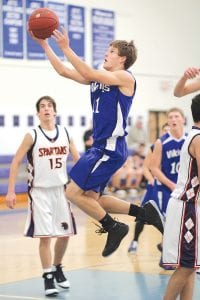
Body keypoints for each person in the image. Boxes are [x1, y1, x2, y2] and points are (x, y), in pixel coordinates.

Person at [29, 27, 164, 258]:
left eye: (111, 51)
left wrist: (66, 47)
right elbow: (63, 70)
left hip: (109, 146)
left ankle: (114, 227)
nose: (106, 53)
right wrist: (44, 45)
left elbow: (89, 73)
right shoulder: (99, 80)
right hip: (103, 147)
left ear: (122, 58)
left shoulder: (125, 77)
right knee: (93, 199)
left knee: (71, 193)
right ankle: (143, 213)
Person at [5, 96, 79, 297]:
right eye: (42, 107)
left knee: (65, 234)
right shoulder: (32, 134)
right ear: (38, 113)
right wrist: (11, 191)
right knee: (45, 236)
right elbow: (15, 162)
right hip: (39, 192)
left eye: (49, 106)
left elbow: (78, 160)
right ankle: (48, 276)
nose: (46, 109)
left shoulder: (65, 132)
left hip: (61, 191)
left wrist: (84, 185)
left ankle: (57, 267)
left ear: (55, 111)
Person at [162, 94, 200, 300]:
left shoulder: (193, 136)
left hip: (189, 206)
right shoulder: (198, 139)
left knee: (191, 266)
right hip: (188, 207)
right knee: (185, 267)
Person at [150, 108, 187, 269]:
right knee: (170, 223)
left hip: (187, 187)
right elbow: (154, 168)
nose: (173, 119)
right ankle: (167, 256)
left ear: (183, 120)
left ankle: (174, 253)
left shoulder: (190, 139)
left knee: (186, 222)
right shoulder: (161, 142)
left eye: (176, 116)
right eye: (170, 117)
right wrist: (171, 184)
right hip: (167, 188)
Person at [128, 123, 169, 254]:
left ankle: (165, 246)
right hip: (155, 187)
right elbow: (145, 168)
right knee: (142, 215)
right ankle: (134, 241)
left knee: (169, 219)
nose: (167, 133)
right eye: (165, 131)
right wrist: (152, 180)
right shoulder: (155, 147)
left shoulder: (179, 147)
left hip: (170, 188)